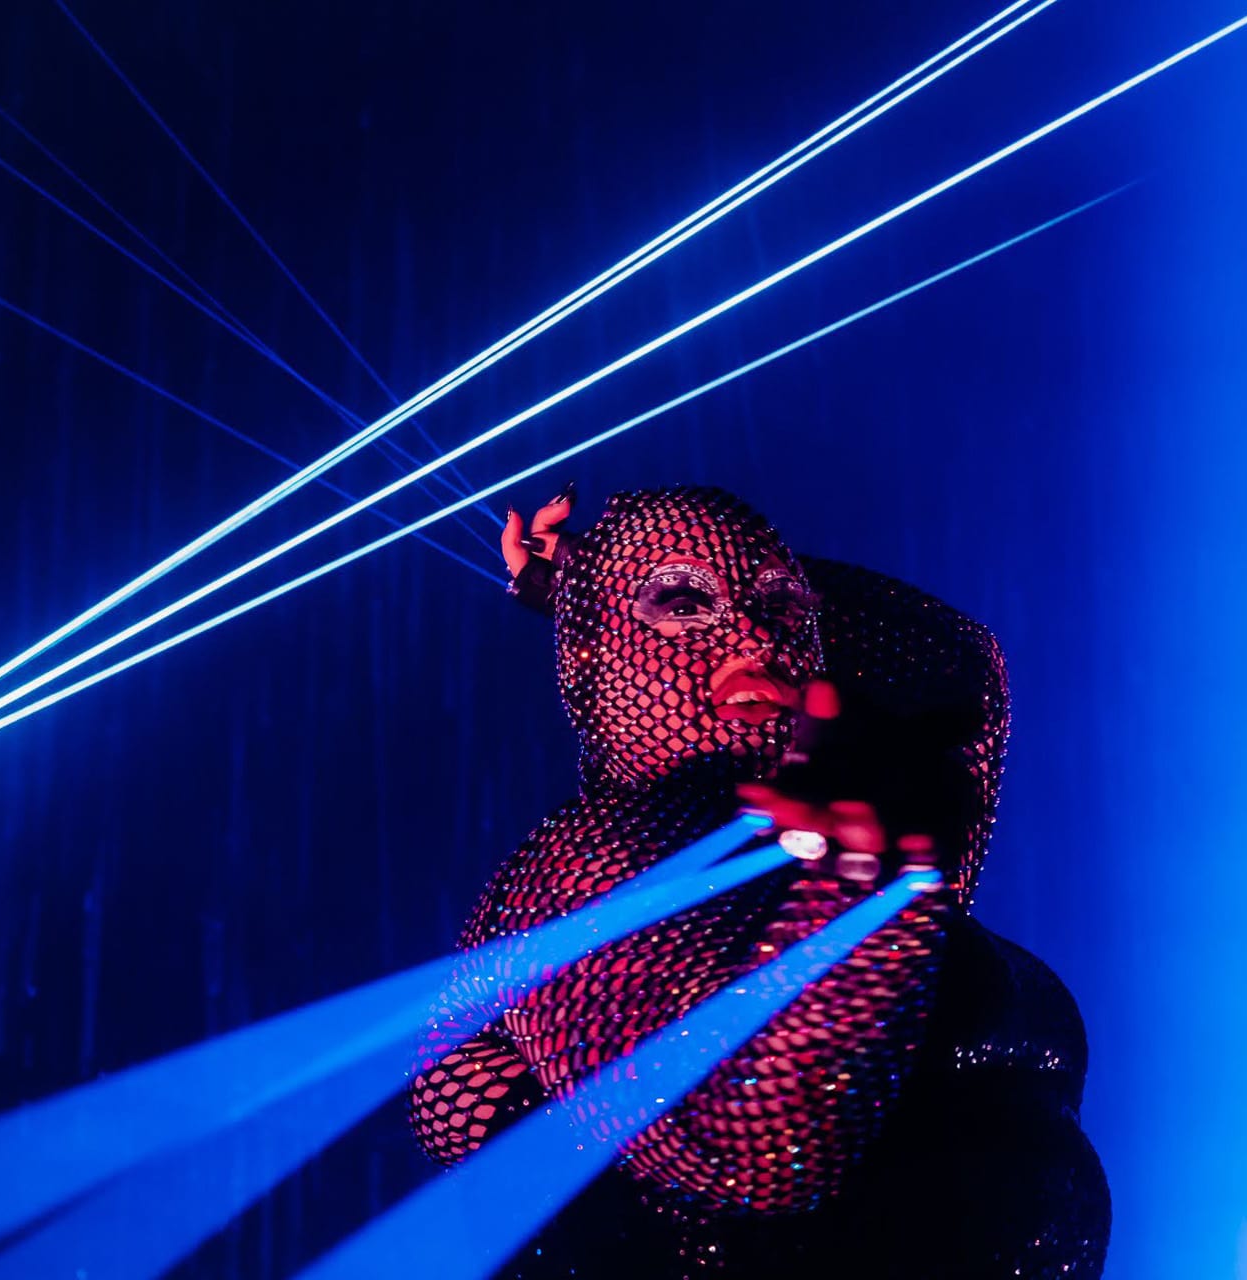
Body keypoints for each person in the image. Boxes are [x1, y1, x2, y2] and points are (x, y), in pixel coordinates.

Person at [408, 485, 1108, 1278]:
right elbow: (743, 1149)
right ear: (589, 653)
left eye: (780, 609)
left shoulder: (830, 831)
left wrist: (597, 583)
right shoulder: (575, 871)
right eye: (680, 601)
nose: (753, 632)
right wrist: (857, 873)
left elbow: (952, 665)